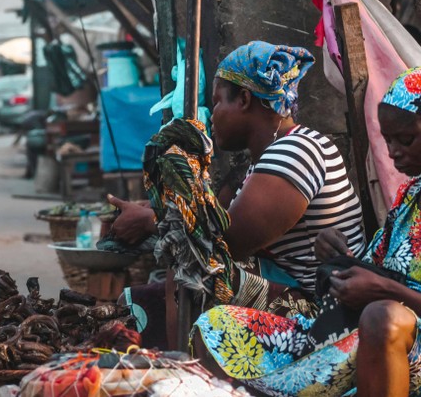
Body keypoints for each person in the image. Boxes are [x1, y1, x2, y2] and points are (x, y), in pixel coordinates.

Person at [193, 66, 421, 397]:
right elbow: (384, 267)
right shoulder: (409, 197)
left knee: (381, 318)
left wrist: (384, 290)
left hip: (398, 335)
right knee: (218, 327)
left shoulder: (298, 152)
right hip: (359, 330)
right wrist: (342, 257)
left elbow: (387, 289)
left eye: (406, 139)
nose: (393, 152)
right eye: (387, 140)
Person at [111, 41, 365, 324]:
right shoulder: (275, 153)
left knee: (190, 259)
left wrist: (150, 220)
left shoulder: (295, 151)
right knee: (135, 307)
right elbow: (214, 220)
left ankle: (184, 365)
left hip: (320, 308)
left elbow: (224, 244)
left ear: (244, 100)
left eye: (218, 101)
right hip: (294, 288)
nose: (213, 113)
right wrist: (158, 208)